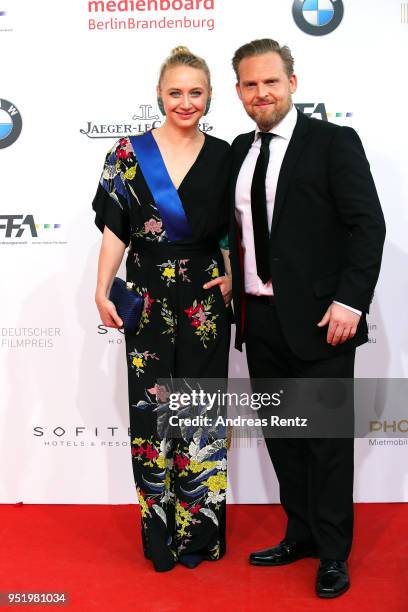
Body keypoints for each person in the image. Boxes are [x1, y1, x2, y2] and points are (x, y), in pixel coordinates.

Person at [229, 39, 385, 598]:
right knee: (283, 438)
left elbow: (368, 227)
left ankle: (334, 553)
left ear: (293, 83)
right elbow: (238, 233)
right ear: (239, 92)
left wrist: (349, 302)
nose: (261, 92)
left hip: (324, 320)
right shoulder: (238, 153)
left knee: (326, 441)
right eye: (250, 84)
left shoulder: (333, 142)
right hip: (259, 319)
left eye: (270, 81)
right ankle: (301, 533)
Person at [92, 46, 232, 572]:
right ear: (159, 94)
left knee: (200, 414)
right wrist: (101, 288)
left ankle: (200, 536)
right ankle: (159, 538)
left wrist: (234, 274)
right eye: (175, 92)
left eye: (195, 92)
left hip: (203, 297)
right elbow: (114, 231)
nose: (185, 101)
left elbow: (231, 231)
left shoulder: (225, 156)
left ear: (210, 96)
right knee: (152, 415)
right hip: (147, 294)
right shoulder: (127, 153)